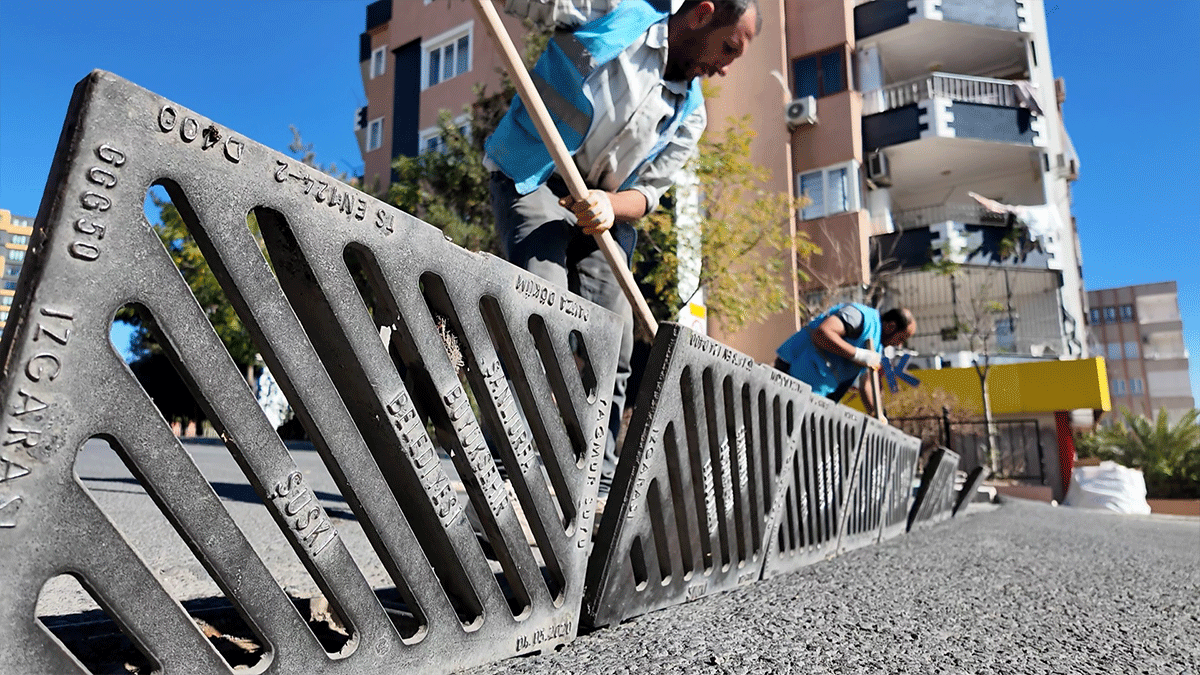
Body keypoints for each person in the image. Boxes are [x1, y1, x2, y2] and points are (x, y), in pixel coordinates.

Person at [485, 0, 761, 492]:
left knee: (611, 342)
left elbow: (649, 192)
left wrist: (612, 206)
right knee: (541, 302)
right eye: (728, 49)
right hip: (535, 173)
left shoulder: (690, 114)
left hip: (602, 214)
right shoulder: (618, 12)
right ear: (701, 14)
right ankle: (504, 472)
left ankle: (596, 480)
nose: (723, 68)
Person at [774, 304, 916, 419]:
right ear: (890, 327)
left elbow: (866, 383)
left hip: (814, 391)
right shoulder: (860, 317)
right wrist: (857, 354)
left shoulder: (877, 346)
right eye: (901, 338)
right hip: (791, 374)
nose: (899, 345)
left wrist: (878, 414)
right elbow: (822, 333)